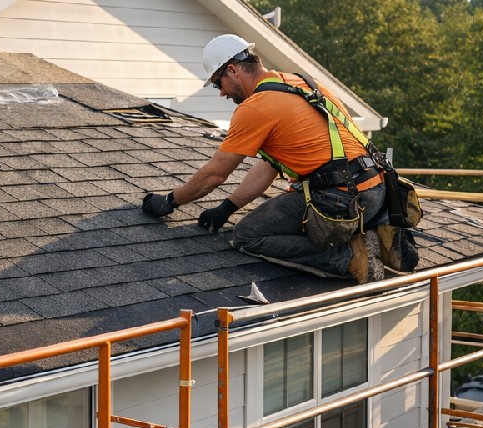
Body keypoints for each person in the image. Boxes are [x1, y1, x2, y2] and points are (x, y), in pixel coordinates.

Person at [140, 34, 388, 283]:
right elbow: (268, 167)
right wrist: (228, 207)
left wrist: (171, 201)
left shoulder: (255, 108)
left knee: (246, 235)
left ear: (233, 70)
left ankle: (350, 257)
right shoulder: (299, 82)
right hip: (377, 191)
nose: (222, 93)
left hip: (339, 200)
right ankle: (368, 234)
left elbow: (215, 174)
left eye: (218, 83)